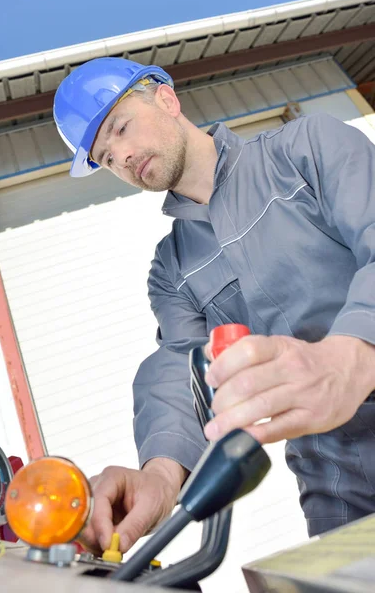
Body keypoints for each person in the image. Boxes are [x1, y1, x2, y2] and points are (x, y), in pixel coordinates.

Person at [53, 57, 375, 556]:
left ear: (166, 98)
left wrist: (354, 356)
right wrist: (160, 476)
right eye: (107, 158)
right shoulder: (172, 268)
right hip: (335, 484)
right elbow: (181, 367)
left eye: (120, 128)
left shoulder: (308, 149)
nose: (123, 156)